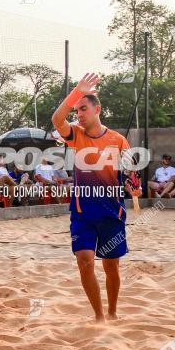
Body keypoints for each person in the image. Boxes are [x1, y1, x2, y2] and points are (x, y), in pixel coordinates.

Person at [51, 72, 130, 323]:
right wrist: (76, 91)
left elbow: (128, 174)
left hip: (111, 213)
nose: (79, 115)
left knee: (111, 266)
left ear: (98, 109)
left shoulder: (118, 140)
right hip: (82, 213)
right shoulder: (75, 134)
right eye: (77, 111)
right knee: (85, 262)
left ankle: (113, 311)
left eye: (83, 109)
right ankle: (98, 316)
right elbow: (56, 119)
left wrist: (134, 185)